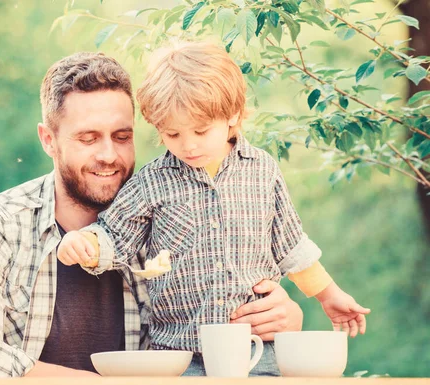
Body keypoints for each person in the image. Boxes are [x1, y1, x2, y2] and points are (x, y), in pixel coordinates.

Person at [0, 51, 304, 384]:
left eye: (122, 136)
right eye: (88, 138)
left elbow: (212, 327)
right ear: (48, 140)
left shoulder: (169, 224)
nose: (108, 154)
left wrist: (283, 319)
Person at [57, 42, 371, 377]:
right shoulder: (153, 181)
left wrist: (330, 296)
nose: (188, 145)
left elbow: (291, 247)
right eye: (172, 133)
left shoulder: (262, 171)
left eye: (201, 131)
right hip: (182, 355)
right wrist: (87, 244)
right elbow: (116, 235)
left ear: (233, 115)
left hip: (258, 348)